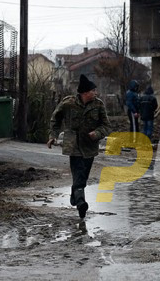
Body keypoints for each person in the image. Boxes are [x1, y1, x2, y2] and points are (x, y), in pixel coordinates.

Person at [47, 74, 110, 220]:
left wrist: (98, 133)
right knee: (79, 173)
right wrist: (53, 136)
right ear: (85, 92)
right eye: (93, 91)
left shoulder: (98, 105)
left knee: (83, 176)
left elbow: (106, 125)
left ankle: (75, 194)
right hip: (73, 145)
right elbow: (55, 119)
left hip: (90, 147)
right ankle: (81, 203)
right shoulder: (68, 103)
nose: (96, 93)